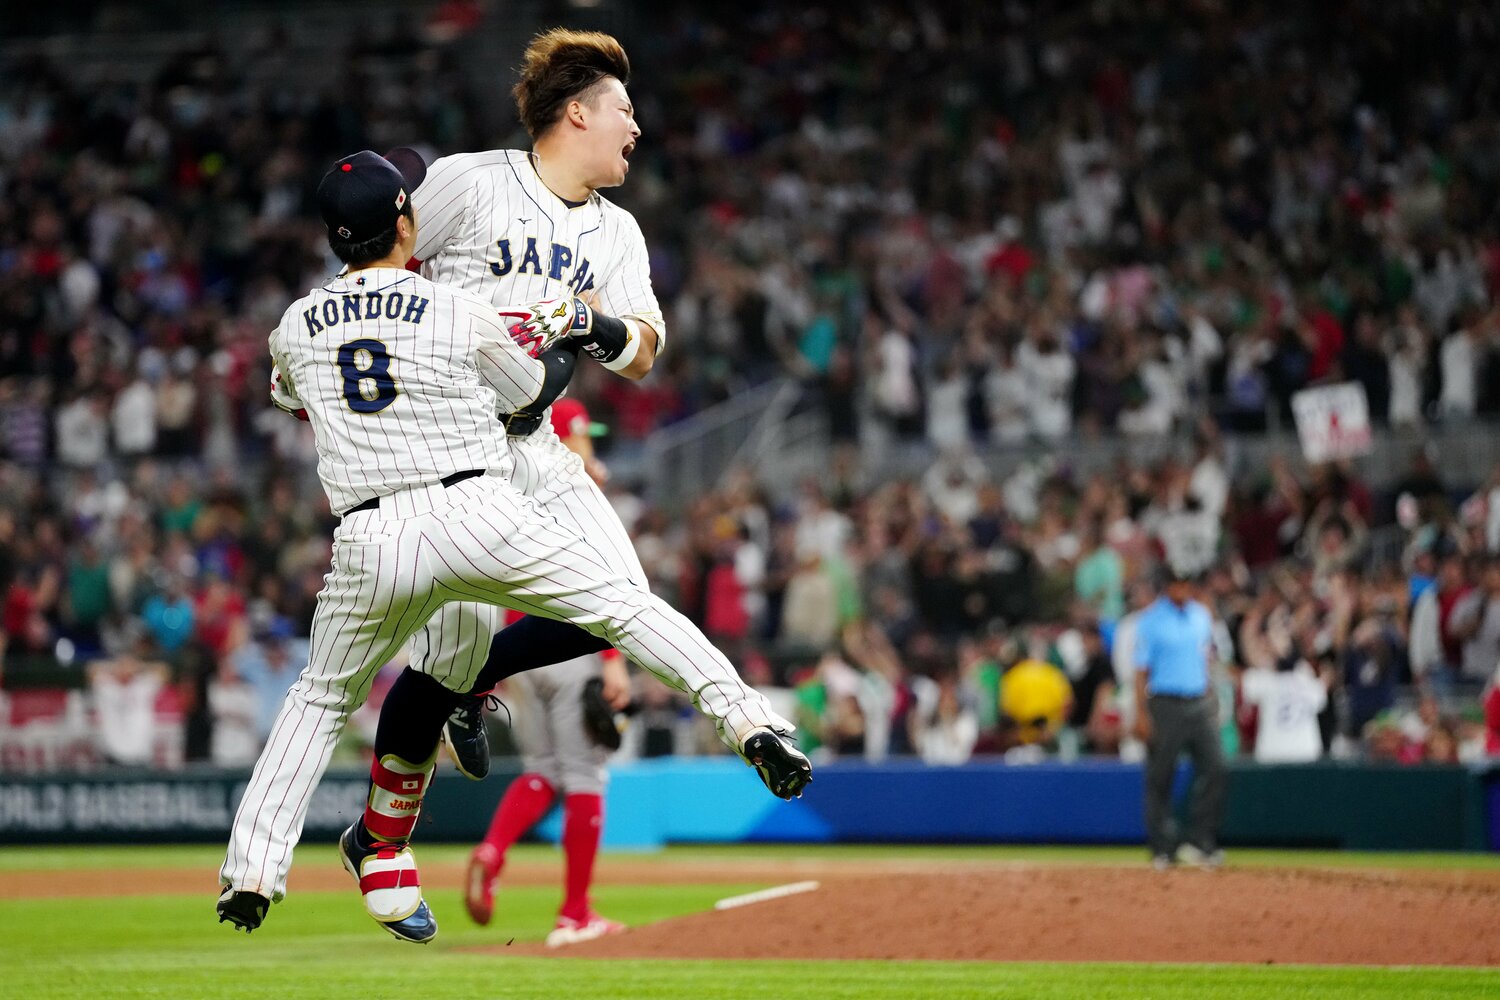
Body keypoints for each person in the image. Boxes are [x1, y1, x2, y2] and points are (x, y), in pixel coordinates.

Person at [216, 149, 809, 942]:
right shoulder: (453, 309)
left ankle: (252, 871)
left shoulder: (293, 325)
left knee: (321, 699)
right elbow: (534, 392)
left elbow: (290, 396)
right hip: (476, 511)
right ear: (405, 222)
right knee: (623, 605)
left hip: (371, 534)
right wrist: (568, 327)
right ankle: (750, 723)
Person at [373, 28, 697, 788]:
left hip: (537, 440)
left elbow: (643, 352)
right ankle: (382, 830)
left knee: (620, 602)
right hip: (449, 448)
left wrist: (589, 322)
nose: (637, 127)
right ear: (579, 113)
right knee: (419, 653)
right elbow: (378, 268)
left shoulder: (617, 231)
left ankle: (473, 680)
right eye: (624, 109)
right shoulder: (470, 181)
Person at [462, 398, 636, 946]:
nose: (591, 444)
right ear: (566, 435)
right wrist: (613, 659)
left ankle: (493, 852)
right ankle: (575, 914)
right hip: (570, 641)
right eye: (584, 434)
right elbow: (604, 573)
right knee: (585, 777)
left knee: (542, 770)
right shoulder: (575, 486)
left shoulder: (512, 480)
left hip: (517, 644)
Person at [1132, 570, 1226, 869]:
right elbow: (1140, 671)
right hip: (1165, 702)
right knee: (1161, 776)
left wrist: (1211, 694)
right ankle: (1162, 848)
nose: (1183, 589)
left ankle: (1200, 841)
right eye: (1177, 584)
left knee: (1216, 767)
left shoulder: (1201, 615)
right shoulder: (1151, 620)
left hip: (1198, 700)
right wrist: (1141, 713)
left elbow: (1206, 657)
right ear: (1167, 587)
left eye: (1187, 584)